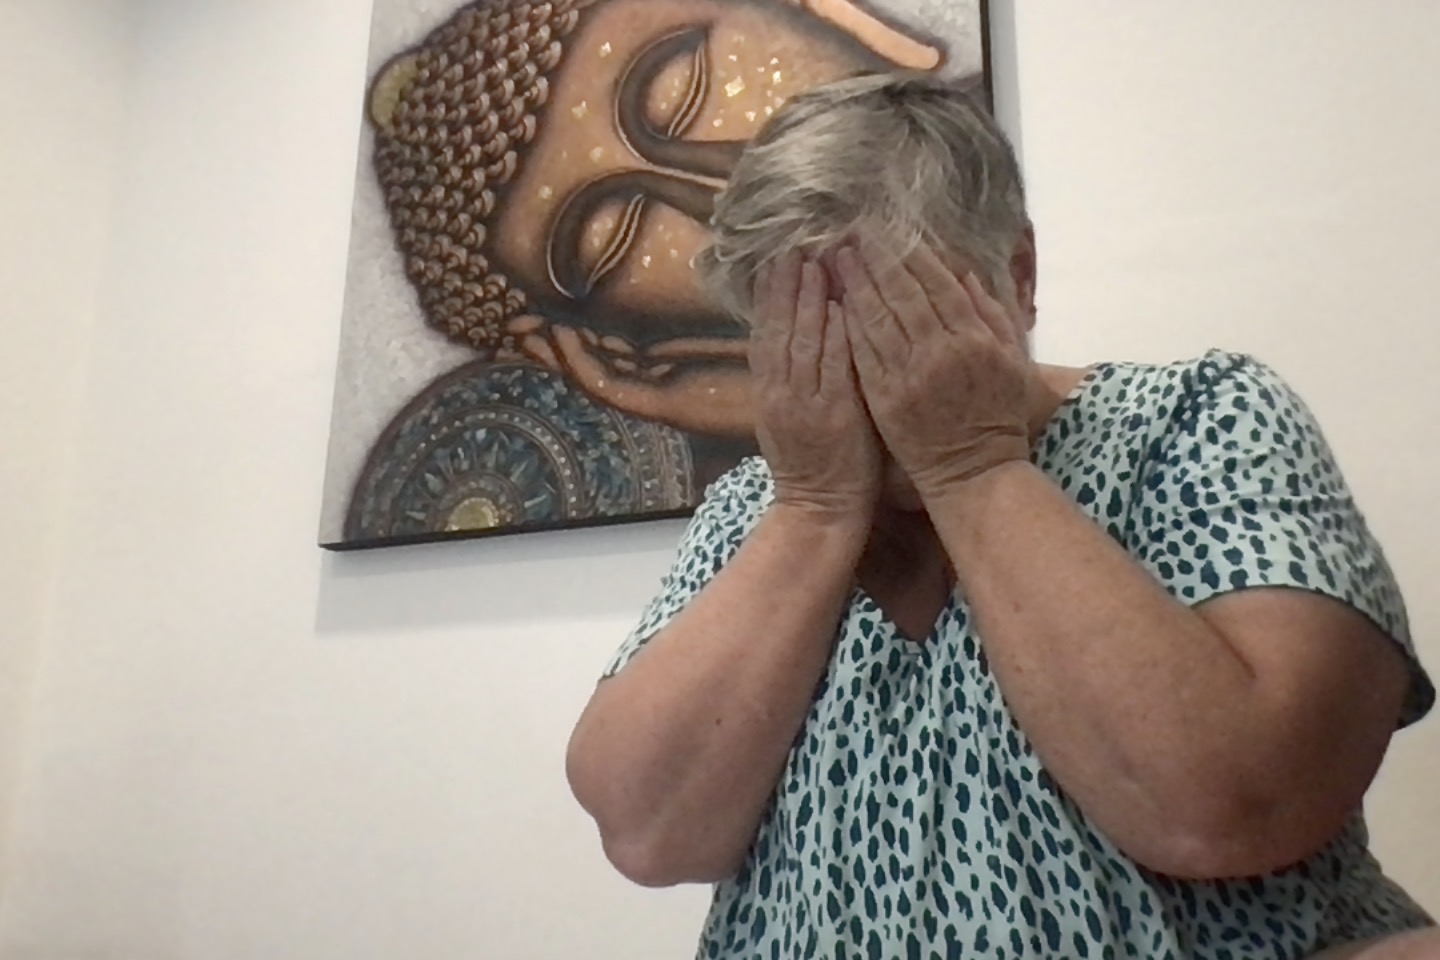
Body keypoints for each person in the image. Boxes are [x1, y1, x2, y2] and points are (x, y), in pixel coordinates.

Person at [565, 73, 1440, 959]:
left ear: (1017, 276)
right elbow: (646, 831)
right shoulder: (758, 505)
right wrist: (813, 511)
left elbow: (1235, 807)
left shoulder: (1199, 418)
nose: (856, 376)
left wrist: (973, 469)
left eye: (899, 322)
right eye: (798, 335)